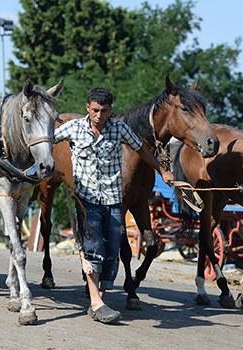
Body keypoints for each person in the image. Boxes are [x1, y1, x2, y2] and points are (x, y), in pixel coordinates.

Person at [54, 87, 174, 324]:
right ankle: (97, 302)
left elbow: (141, 149)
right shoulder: (74, 128)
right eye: (95, 110)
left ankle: (100, 298)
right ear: (88, 106)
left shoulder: (119, 128)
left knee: (111, 252)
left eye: (104, 111)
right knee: (93, 248)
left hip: (113, 198)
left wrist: (162, 170)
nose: (99, 115)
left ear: (110, 110)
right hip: (87, 199)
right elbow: (47, 139)